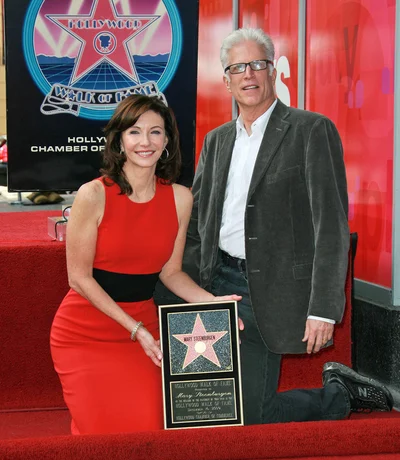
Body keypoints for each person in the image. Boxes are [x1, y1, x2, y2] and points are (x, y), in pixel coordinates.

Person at [156, 27, 393, 424]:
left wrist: (323, 307)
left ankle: (339, 395)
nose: (248, 75)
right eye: (238, 68)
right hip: (217, 283)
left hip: (270, 289)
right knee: (202, 408)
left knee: (249, 413)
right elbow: (198, 222)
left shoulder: (310, 131)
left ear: (272, 72)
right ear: (226, 79)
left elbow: (331, 227)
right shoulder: (216, 141)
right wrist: (184, 289)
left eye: (258, 65)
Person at [50, 94, 240, 434]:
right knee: (99, 436)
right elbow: (78, 279)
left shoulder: (181, 198)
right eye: (135, 132)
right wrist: (133, 329)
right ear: (120, 140)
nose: (145, 142)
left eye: (155, 132)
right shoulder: (92, 194)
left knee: (148, 431)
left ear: (167, 140)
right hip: (84, 333)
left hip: (144, 334)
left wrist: (213, 303)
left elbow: (171, 272)